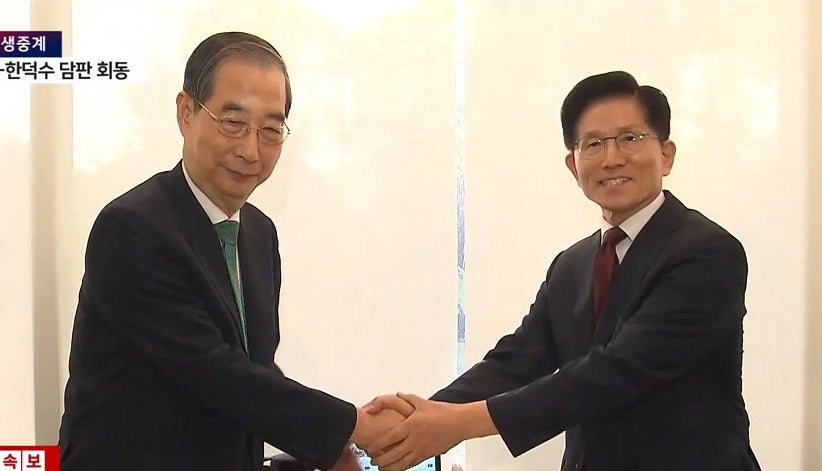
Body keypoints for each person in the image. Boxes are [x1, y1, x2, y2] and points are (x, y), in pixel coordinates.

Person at [364, 71, 761, 471]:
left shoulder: (707, 252)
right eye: (594, 144)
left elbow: (618, 371)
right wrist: (421, 418)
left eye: (630, 138)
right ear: (573, 166)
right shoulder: (571, 265)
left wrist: (459, 423)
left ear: (667, 154)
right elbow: (517, 360)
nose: (612, 158)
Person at [57, 31, 403, 471]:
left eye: (270, 130)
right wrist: (350, 425)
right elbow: (213, 371)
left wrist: (333, 449)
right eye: (233, 123)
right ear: (186, 113)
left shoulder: (258, 234)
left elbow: (254, 370)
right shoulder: (131, 228)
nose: (250, 150)